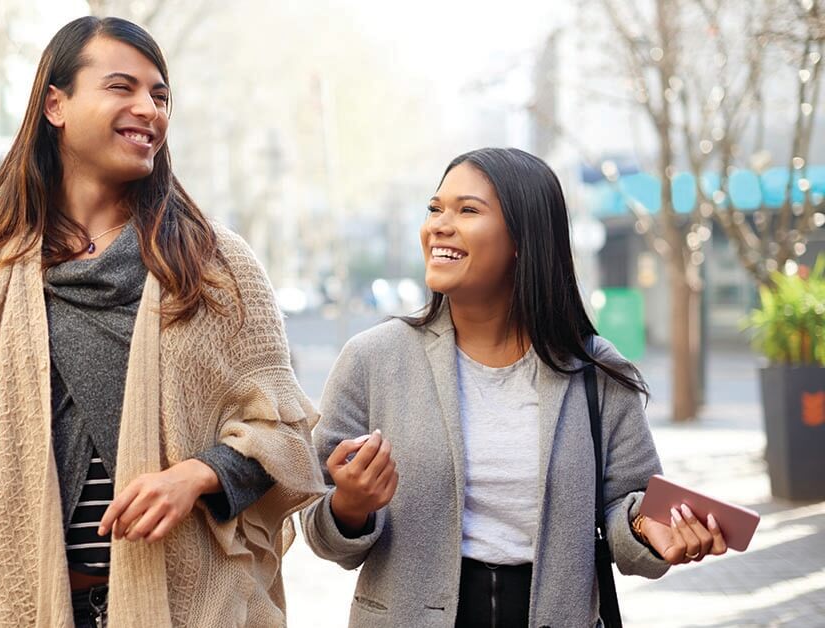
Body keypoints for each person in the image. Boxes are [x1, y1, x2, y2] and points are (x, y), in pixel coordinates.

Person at [0, 16, 324, 628]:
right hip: (25, 609)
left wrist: (196, 476)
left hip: (192, 608)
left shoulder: (214, 267)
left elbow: (287, 438)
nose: (148, 108)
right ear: (56, 104)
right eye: (122, 87)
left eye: (160, 95)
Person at [299, 147, 729, 627]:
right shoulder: (373, 358)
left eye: (467, 210)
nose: (439, 225)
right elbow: (318, 523)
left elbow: (627, 506)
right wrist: (349, 506)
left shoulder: (596, 370)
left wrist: (648, 527)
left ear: (524, 239)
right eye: (435, 208)